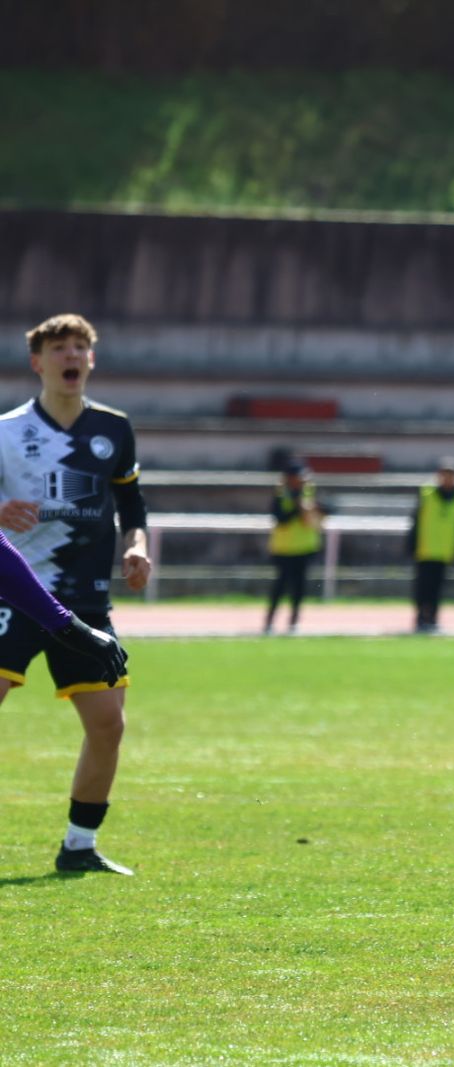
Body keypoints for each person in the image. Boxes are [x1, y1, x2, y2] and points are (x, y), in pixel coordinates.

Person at [0, 313, 151, 876]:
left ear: (92, 360)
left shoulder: (114, 429)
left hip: (86, 601)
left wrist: (137, 546)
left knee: (109, 723)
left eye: (81, 347)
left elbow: (133, 507)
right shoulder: (7, 431)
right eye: (59, 348)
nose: (72, 356)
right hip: (14, 596)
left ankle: (79, 845)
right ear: (37, 362)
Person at [406, 457, 454, 634]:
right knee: (422, 587)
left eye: (452, 475)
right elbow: (415, 520)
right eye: (445, 474)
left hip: (445, 550)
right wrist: (411, 544)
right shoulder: (427, 494)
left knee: (438, 587)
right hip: (425, 548)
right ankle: (421, 617)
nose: (448, 478)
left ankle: (433, 618)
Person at [264, 461, 323, 635]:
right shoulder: (282, 494)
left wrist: (314, 508)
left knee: (299, 587)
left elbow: (328, 508)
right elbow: (280, 518)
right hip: (284, 547)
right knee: (280, 586)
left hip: (305, 546)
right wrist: (298, 508)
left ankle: (294, 622)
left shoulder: (310, 491)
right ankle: (269, 622)